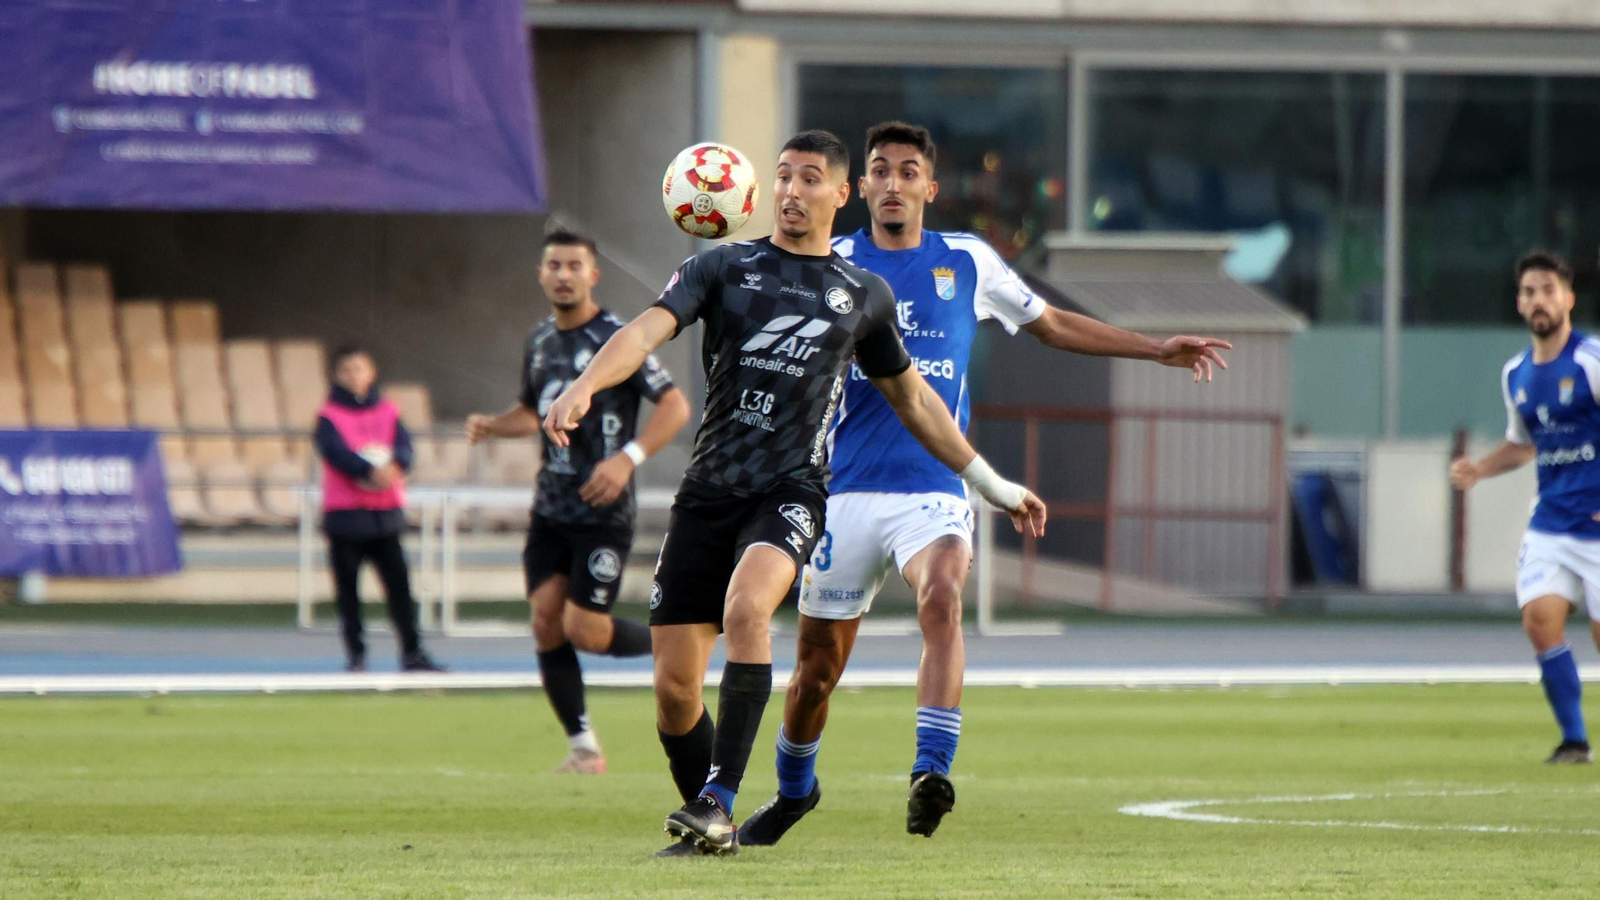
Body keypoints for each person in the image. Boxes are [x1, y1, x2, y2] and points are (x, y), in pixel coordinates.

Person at [542, 129, 1047, 857]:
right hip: (709, 490)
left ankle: (720, 798)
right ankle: (708, 820)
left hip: (793, 490)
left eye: (810, 179)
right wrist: (584, 386)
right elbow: (644, 331)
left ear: (841, 196)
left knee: (748, 609)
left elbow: (915, 402)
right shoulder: (723, 266)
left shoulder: (859, 295)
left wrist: (991, 484)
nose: (791, 190)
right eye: (782, 176)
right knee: (675, 691)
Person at [737, 121, 1233, 845]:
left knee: (942, 598)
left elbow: (1053, 323)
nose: (895, 182)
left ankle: (930, 771)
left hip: (935, 484)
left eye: (910, 171)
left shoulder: (967, 261)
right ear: (862, 188)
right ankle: (793, 791)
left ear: (929, 189)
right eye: (881, 170)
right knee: (814, 672)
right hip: (841, 490)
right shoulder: (833, 261)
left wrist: (1155, 348)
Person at [466, 228, 690, 774]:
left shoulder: (619, 339)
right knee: (545, 621)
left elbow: (675, 406)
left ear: (594, 274)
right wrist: (496, 426)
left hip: (602, 509)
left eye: (574, 265)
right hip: (552, 506)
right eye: (554, 265)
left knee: (585, 630)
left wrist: (626, 459)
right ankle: (583, 747)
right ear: (541, 274)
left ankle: (679, 644)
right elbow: (533, 410)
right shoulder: (540, 339)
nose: (563, 274)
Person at [1451, 250, 1599, 765]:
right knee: (1539, 618)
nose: (1540, 300)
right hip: (1552, 521)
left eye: (1549, 290)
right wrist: (1480, 469)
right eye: (1531, 292)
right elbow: (1523, 443)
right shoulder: (1516, 373)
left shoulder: (1590, 363)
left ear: (1569, 299)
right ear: (1520, 303)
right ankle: (1575, 741)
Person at [314, 345, 444, 673]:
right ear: (336, 375)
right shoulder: (329, 416)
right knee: (348, 592)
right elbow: (335, 453)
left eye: (360, 368)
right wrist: (367, 470)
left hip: (385, 514)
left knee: (400, 588)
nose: (354, 375)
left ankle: (412, 652)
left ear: (372, 372)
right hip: (346, 514)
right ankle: (356, 656)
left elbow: (405, 448)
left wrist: (395, 467)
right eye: (347, 369)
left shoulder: (388, 411)